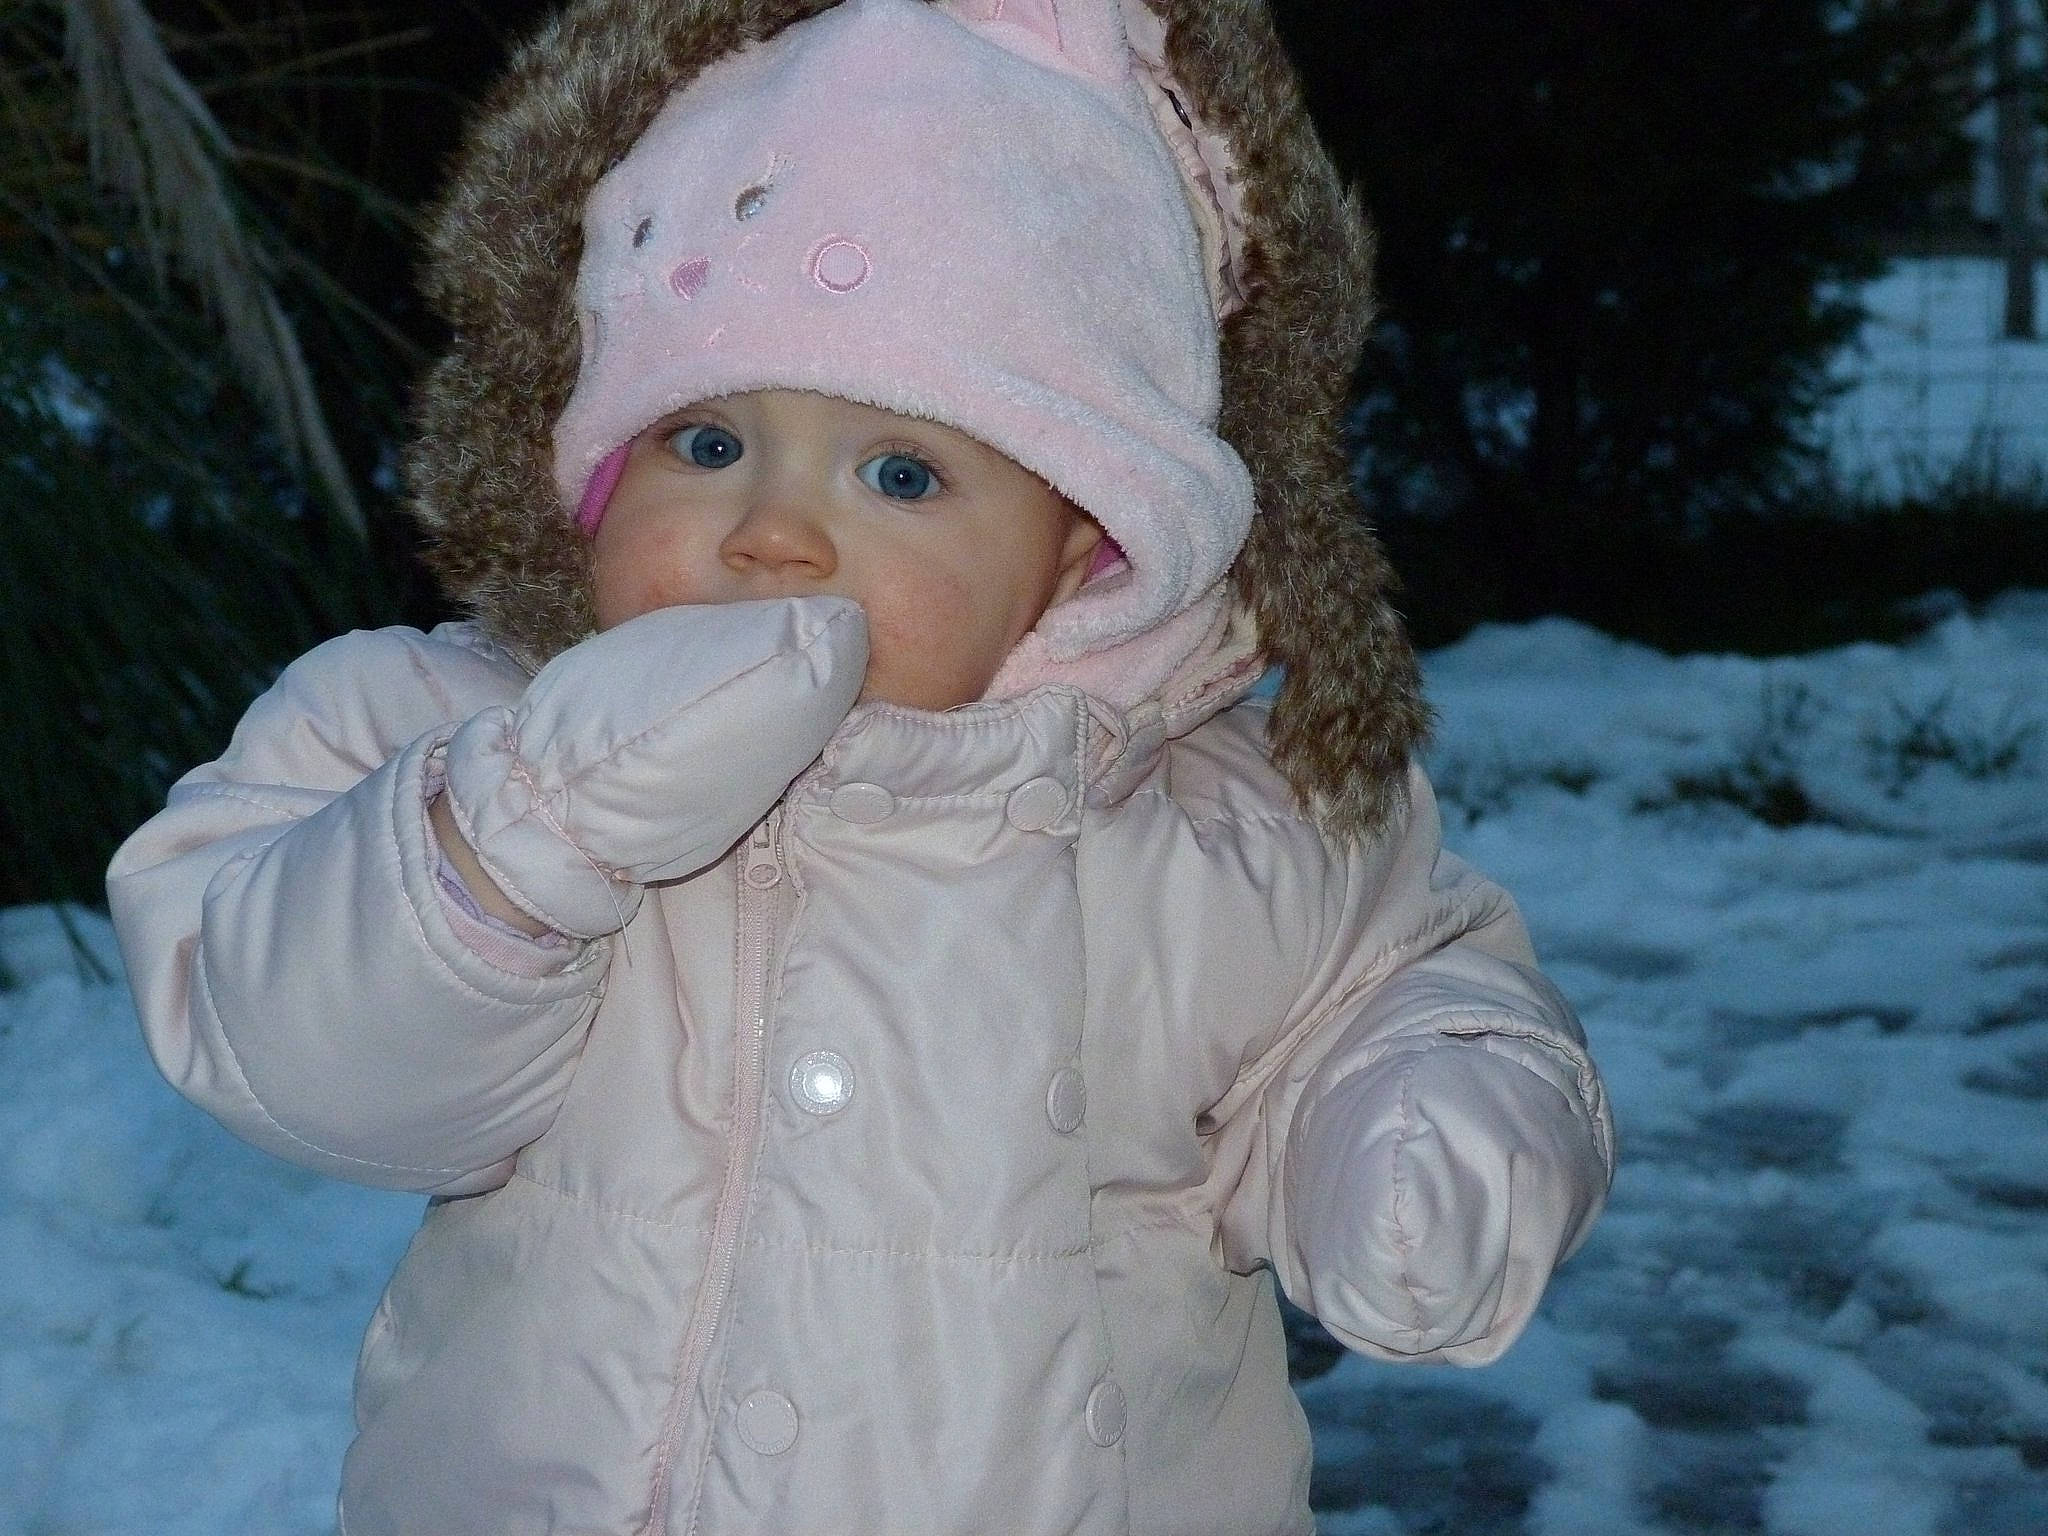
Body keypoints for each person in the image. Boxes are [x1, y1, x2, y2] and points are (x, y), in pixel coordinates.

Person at [106, 0, 1614, 1530]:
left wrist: (1423, 1135)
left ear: (1086, 546)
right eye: (705, 443)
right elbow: (296, 1049)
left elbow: (1407, 983)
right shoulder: (444, 739)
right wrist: (525, 832)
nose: (774, 531)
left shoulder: (1222, 833)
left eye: (901, 473)